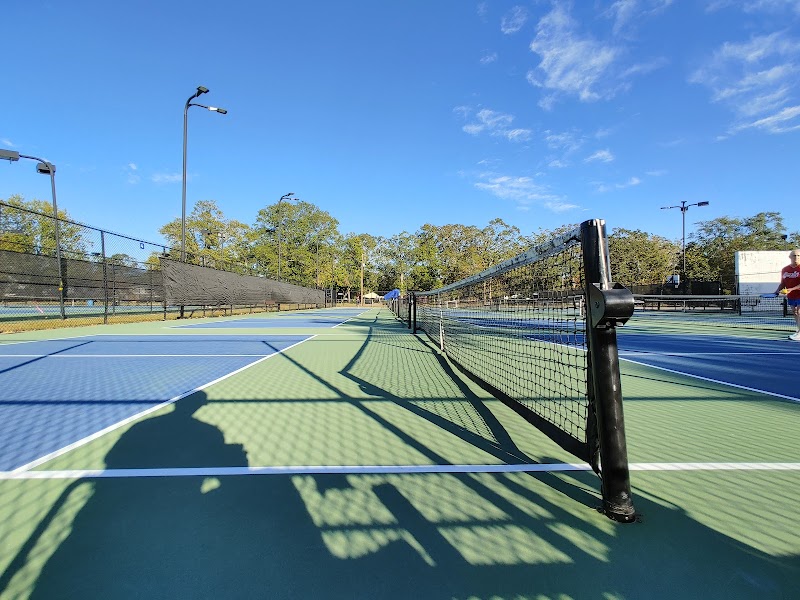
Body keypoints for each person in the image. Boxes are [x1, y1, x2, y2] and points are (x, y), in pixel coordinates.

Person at [775, 249, 800, 340]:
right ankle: (798, 331)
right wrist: (777, 290)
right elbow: (783, 283)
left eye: (798, 255)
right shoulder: (785, 269)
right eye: (794, 255)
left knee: (799, 311)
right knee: (795, 312)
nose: (796, 257)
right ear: (790, 257)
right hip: (791, 296)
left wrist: (791, 289)